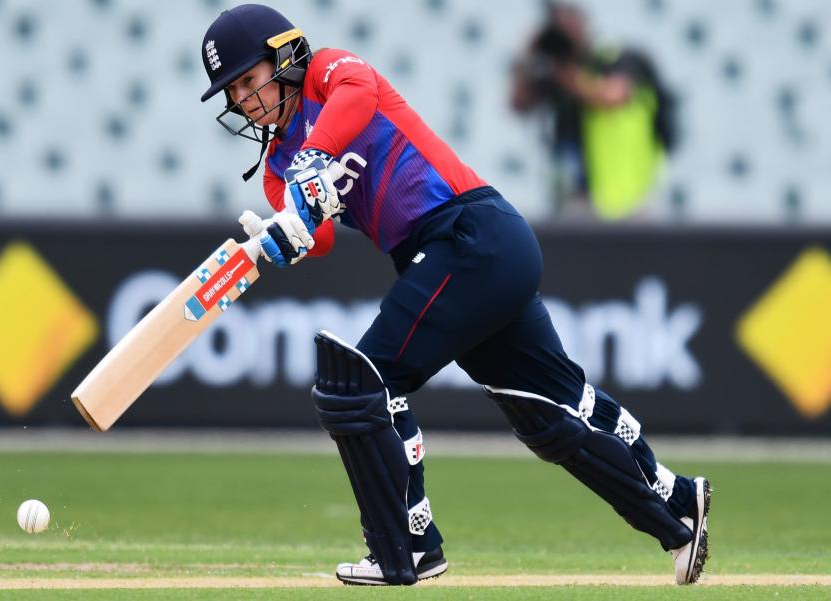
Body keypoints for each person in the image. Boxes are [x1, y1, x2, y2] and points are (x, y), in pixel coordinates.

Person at [200, 3, 709, 586]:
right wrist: (280, 235)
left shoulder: (329, 73)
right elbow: (313, 239)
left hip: (468, 233)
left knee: (358, 385)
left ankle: (409, 546)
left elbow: (360, 93)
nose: (242, 99)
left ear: (284, 55)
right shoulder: (277, 168)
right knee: (548, 412)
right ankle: (678, 507)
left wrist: (317, 160)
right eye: (233, 91)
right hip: (466, 254)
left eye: (247, 79)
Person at [510, 1, 676, 220]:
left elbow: (612, 96)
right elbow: (518, 104)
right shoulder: (556, 70)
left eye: (569, 22)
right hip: (579, 196)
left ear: (582, 24)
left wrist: (565, 75)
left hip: (633, 195)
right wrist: (528, 55)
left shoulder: (618, 57)